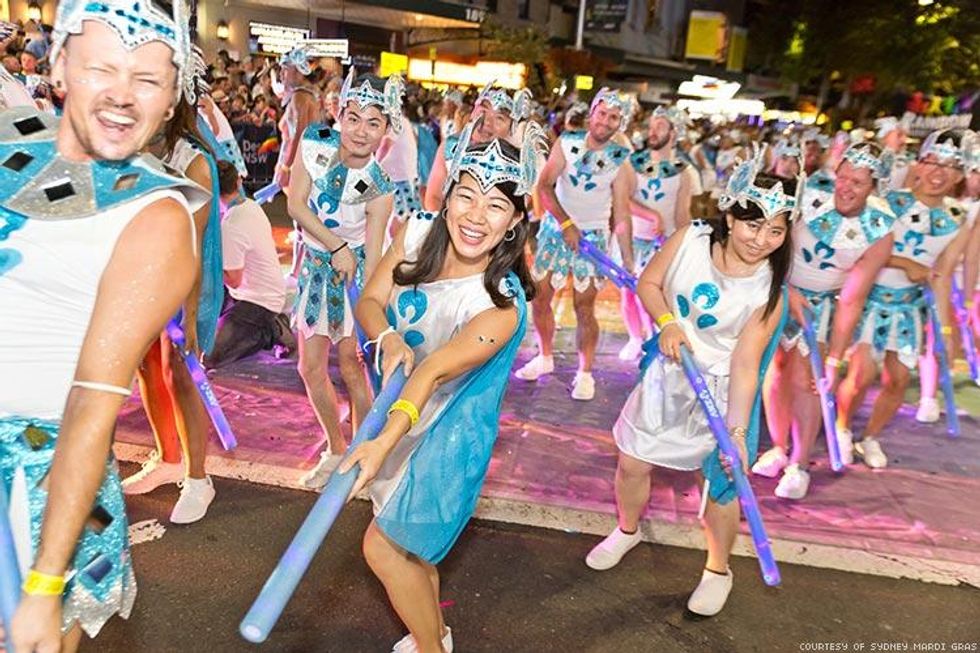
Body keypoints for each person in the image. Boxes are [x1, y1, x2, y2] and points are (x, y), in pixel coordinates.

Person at [0, 0, 208, 649]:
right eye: (103, 69)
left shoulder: (155, 215)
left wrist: (42, 584)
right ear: (61, 65)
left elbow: (93, 401)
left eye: (147, 79)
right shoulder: (13, 145)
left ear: (172, 97)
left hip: (46, 485)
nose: (123, 96)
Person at [341, 119, 546, 653]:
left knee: (385, 551)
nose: (476, 217)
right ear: (448, 193)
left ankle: (430, 647)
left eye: (496, 206)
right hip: (400, 416)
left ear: (515, 221)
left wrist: (381, 442)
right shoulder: (413, 233)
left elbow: (431, 373)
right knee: (410, 556)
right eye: (468, 196)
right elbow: (369, 299)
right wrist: (385, 334)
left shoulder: (499, 303)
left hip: (445, 439)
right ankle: (437, 636)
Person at [585, 150, 796, 617]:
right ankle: (627, 528)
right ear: (729, 213)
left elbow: (745, 366)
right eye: (752, 224)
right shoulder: (690, 239)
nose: (762, 240)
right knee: (632, 464)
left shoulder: (769, 291)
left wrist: (738, 435)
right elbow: (649, 284)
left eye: (775, 230)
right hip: (667, 376)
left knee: (722, 486)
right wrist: (666, 323)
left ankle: (719, 569)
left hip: (719, 393)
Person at [757, 143, 896, 499]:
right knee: (776, 370)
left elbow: (852, 297)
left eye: (859, 182)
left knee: (807, 381)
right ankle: (777, 446)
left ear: (874, 186)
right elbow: (772, 242)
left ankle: (799, 465)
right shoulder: (807, 195)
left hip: (821, 307)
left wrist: (834, 359)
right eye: (843, 177)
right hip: (779, 290)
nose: (846, 187)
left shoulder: (880, 227)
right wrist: (784, 287)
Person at [288, 69, 400, 489]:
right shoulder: (313, 145)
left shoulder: (381, 187)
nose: (360, 130)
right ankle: (335, 448)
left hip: (351, 279)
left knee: (353, 368)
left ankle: (361, 453)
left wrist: (374, 311)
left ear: (386, 130)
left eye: (373, 122)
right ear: (339, 113)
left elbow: (372, 257)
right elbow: (296, 205)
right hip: (317, 270)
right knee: (309, 366)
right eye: (353, 117)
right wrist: (335, 246)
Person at [834, 129, 971, 467]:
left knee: (896, 380)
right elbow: (859, 251)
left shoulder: (959, 217)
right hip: (868, 299)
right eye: (932, 162)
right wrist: (903, 262)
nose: (939, 173)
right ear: (919, 165)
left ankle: (871, 437)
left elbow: (941, 275)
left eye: (950, 166)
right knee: (860, 374)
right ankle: (841, 429)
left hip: (911, 307)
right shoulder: (887, 202)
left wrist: (945, 331)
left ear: (960, 175)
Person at [121, 80, 223, 524]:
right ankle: (167, 457)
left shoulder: (193, 162)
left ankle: (199, 479)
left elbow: (194, 249)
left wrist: (191, 318)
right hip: (141, 275)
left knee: (180, 370)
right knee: (147, 365)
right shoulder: (132, 147)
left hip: (186, 280)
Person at [517, 88, 635, 400]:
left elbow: (622, 214)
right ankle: (544, 357)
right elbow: (544, 185)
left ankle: (585, 373)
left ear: (619, 123)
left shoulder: (620, 160)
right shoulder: (567, 142)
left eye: (614, 117)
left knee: (584, 308)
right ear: (592, 112)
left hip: (592, 238)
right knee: (540, 299)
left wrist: (628, 260)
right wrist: (566, 223)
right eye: (602, 113)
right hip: (555, 231)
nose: (605, 121)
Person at [618, 107, 693, 361]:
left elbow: (683, 213)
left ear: (674, 133)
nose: (653, 131)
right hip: (633, 239)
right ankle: (634, 338)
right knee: (628, 293)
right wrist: (652, 215)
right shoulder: (633, 162)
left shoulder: (684, 170)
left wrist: (689, 241)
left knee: (655, 294)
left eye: (660, 126)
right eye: (651, 126)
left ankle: (653, 337)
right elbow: (623, 200)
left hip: (663, 245)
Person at [204, 160, 290, 368]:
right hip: (256, 293)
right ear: (239, 180)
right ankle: (268, 324)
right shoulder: (249, 206)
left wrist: (207, 263)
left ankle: (270, 330)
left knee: (209, 357)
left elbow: (233, 280)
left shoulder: (232, 224)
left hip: (258, 301)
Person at [423, 82, 531, 211]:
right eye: (483, 111)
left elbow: (517, 209)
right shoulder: (451, 146)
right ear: (473, 111)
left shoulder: (516, 164)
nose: (487, 122)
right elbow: (434, 196)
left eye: (499, 118)